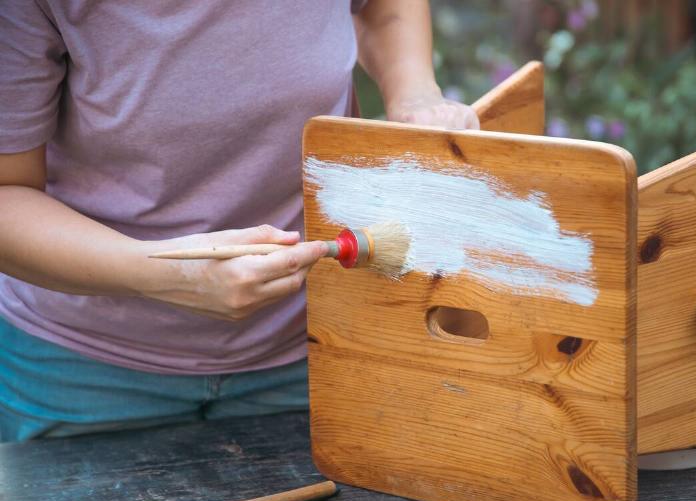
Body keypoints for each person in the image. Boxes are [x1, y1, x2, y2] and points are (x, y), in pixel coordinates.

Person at [0, 0, 479, 442]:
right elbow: (8, 193)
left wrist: (413, 89)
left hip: (319, 346)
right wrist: (162, 275)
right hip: (81, 376)